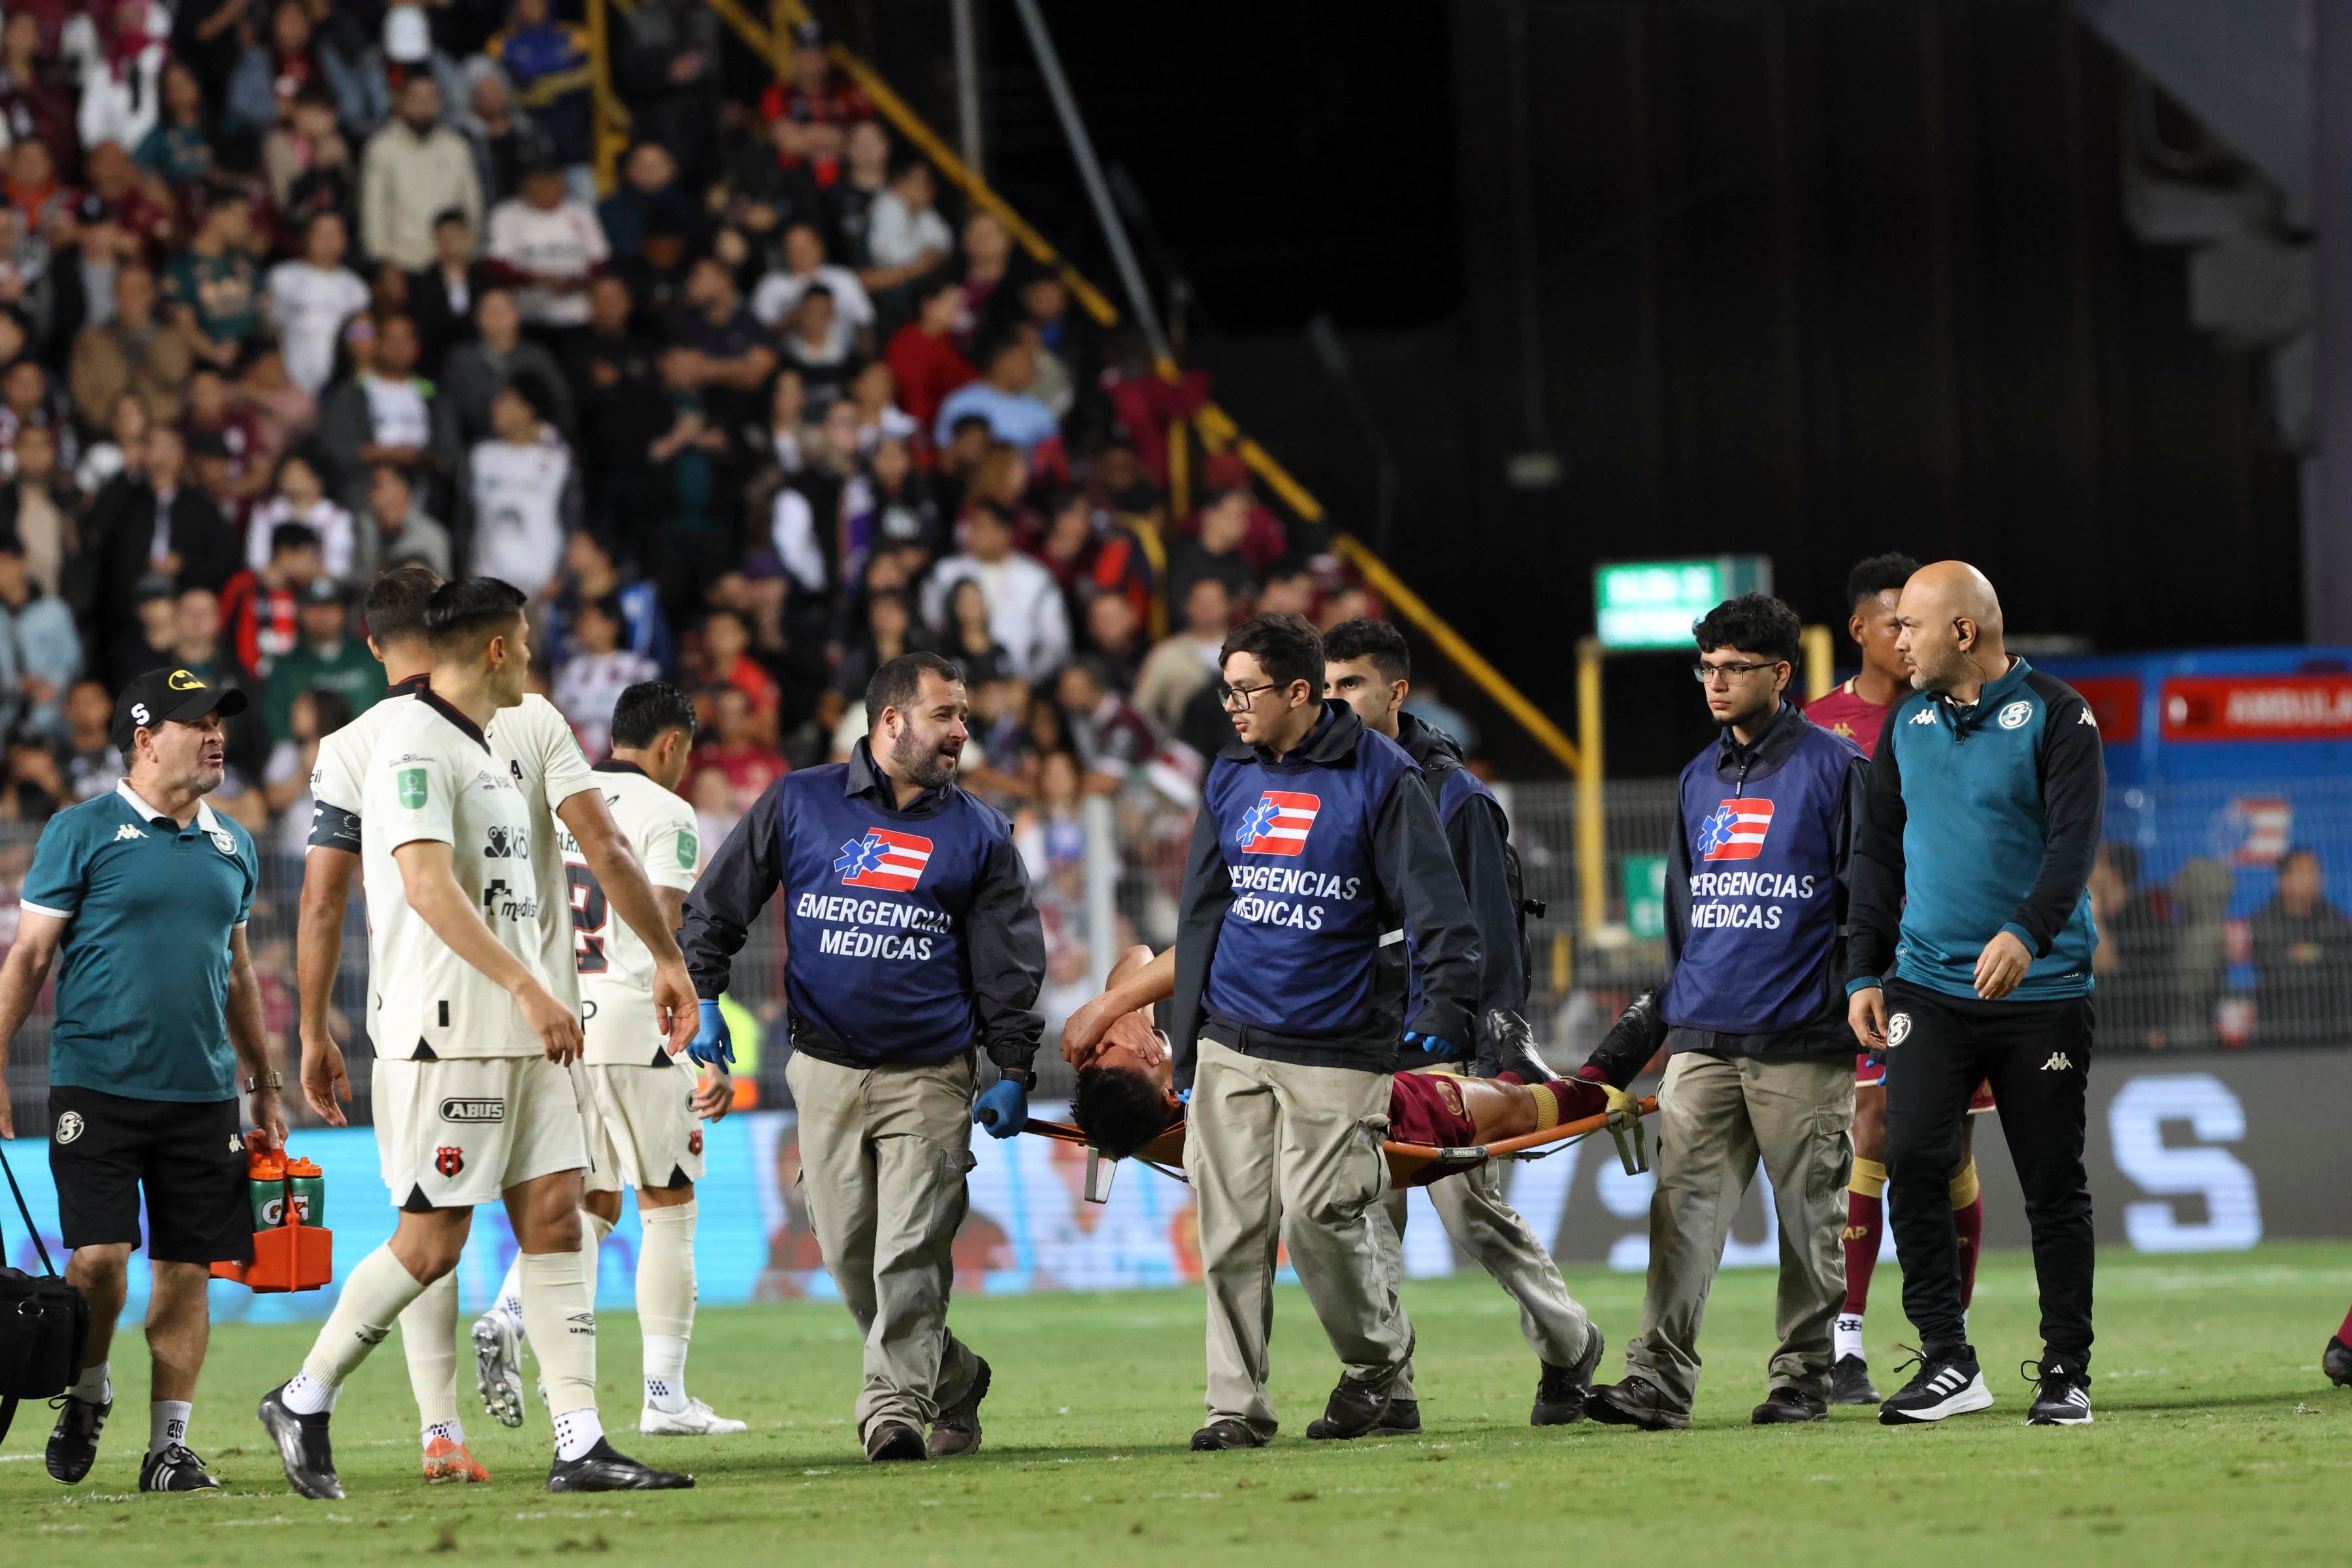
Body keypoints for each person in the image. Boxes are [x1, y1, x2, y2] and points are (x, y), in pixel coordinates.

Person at [264, 576, 694, 1497]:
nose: (536, 660)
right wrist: (525, 985)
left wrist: (662, 958)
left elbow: (605, 850)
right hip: (449, 1032)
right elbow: (423, 887)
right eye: (528, 645)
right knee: (432, 1243)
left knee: (556, 1216)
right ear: (497, 649)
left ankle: (579, 1438)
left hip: (537, 1032)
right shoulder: (406, 748)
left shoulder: (522, 729)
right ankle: (305, 1395)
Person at [678, 651, 1047, 1462]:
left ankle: (892, 1413)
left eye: (964, 716)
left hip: (932, 1075)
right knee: (851, 1260)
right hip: (826, 1070)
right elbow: (717, 904)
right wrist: (703, 994)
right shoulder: (800, 800)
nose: (961, 732)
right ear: (890, 721)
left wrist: (1013, 1069)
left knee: (910, 1248)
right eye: (946, 715)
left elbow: (1009, 966)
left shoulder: (982, 833)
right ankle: (955, 1378)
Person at [1168, 611, 1480, 1450]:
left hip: (1340, 1040)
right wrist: (1184, 1032)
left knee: (1316, 1217)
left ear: (1299, 693)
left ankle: (1376, 1359)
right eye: (1225, 691)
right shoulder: (1230, 772)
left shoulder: (1383, 775)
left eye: (1247, 692)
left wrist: (1442, 1011)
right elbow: (1204, 909)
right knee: (1230, 1229)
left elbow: (1438, 909)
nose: (1232, 708)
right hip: (1232, 1036)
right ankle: (1234, 1405)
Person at [1576, 593, 1867, 1431]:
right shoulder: (1697, 777)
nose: (1716, 681)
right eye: (1707, 666)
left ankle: (1803, 1379)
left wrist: (1852, 997)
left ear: (1781, 673)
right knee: (1679, 1218)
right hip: (1703, 1038)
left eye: (1735, 667)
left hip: (1802, 1038)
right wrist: (1674, 1018)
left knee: (1810, 1220)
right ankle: (1658, 1385)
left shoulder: (1837, 769)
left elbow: (1865, 904)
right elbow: (1683, 917)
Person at [1315, 618, 1603, 1428]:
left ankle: (1569, 1343)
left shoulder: (1454, 797)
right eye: (1327, 686)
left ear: (1396, 693)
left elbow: (1491, 931)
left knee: (1472, 1215)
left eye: (1352, 685)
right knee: (1366, 1218)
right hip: (1357, 1038)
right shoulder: (1330, 786)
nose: (1335, 701)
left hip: (1445, 1046)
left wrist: (1493, 1048)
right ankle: (1388, 1387)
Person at [0, 667, 269, 1493]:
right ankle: (87, 1391)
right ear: (146, 739)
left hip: (205, 1094)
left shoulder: (236, 843)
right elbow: (30, 957)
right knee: (99, 1262)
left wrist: (269, 1081)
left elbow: (239, 973)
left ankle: (169, 1449)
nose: (218, 733)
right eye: (199, 722)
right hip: (98, 1085)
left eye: (222, 720)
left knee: (187, 1271)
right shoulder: (79, 831)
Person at [1846, 561, 2103, 1427]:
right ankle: (1949, 1362)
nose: (1899, 640)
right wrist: (1861, 971)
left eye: (1912, 625)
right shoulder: (1905, 721)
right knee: (1913, 1160)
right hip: (1928, 987)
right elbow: (1877, 854)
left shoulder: (2061, 716)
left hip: (2044, 992)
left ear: (1964, 632)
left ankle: (2067, 1369)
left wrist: (2026, 932)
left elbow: (2074, 844)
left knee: (2050, 1182)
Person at [470, 681, 743, 1437]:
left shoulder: (562, 802)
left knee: (594, 1203)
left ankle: (509, 1311)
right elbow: (669, 924)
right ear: (671, 746)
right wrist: (698, 1049)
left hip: (559, 1023)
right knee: (669, 1208)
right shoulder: (669, 812)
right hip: (636, 1024)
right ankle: (665, 1399)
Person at [1805, 551, 1989, 1406]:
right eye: (1895, 618)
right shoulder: (1819, 726)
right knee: (1871, 1128)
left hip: (1958, 955)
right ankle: (1847, 1338)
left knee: (1950, 1144)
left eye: (1915, 617)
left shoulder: (1960, 711)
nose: (1905, 633)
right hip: (1875, 959)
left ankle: (1948, 1340)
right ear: (1861, 630)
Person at [919, 508, 1071, 681]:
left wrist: (1027, 683)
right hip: (959, 676)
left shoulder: (1036, 578)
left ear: (1004, 533)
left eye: (981, 527)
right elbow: (932, 626)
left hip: (1018, 681)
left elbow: (1055, 642)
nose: (971, 533)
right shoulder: (945, 572)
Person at [361, 74, 484, 274]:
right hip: (402, 261)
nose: (423, 104)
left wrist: (469, 251)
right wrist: (382, 262)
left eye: (430, 98)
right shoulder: (382, 147)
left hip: (451, 260)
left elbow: (471, 205)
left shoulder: (456, 147)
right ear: (400, 102)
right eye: (416, 98)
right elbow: (374, 209)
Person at [2249, 847, 2352, 1047]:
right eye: (2304, 873)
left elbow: (2343, 960)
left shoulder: (2334, 919)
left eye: (2315, 872)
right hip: (2279, 1031)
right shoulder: (2263, 920)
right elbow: (2273, 965)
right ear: (2284, 880)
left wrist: (2305, 953)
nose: (2313, 879)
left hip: (2332, 1029)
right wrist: (2321, 957)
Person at [261, 578, 382, 742]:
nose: (323, 616)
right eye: (314, 608)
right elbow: (277, 727)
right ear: (300, 612)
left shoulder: (371, 656)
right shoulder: (286, 666)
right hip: (304, 758)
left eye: (330, 607)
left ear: (343, 611)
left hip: (369, 749)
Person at [266, 212, 371, 397]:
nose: (328, 242)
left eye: (335, 235)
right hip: (293, 384)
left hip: (342, 385)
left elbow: (362, 339)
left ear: (345, 241)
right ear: (307, 238)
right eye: (321, 235)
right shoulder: (282, 277)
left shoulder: (357, 288)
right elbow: (272, 330)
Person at [550, 593, 660, 757]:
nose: (583, 627)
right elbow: (558, 713)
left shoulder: (638, 667)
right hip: (578, 753)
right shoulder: (572, 670)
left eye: (591, 621)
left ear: (612, 625)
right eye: (581, 621)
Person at [933, 334, 1058, 457]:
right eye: (1027, 360)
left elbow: (1052, 458)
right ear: (1005, 360)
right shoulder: (961, 403)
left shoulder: (1038, 410)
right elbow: (946, 456)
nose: (1034, 368)